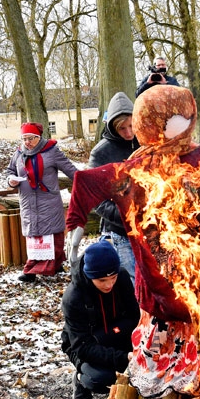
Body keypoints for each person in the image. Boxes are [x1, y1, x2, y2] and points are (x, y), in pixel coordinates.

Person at [65, 85, 200, 398]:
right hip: (164, 280)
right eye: (162, 121)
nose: (171, 128)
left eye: (177, 118)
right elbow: (86, 183)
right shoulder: (136, 169)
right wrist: (75, 225)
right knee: (172, 330)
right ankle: (175, 391)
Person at [60, 241, 139, 399]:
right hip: (86, 345)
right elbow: (83, 347)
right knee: (101, 379)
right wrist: (123, 357)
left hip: (118, 334)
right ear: (90, 275)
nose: (109, 284)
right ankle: (81, 379)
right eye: (102, 280)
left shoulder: (122, 278)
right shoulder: (73, 299)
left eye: (113, 278)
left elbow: (135, 316)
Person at [6, 122, 78, 281]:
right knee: (33, 236)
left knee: (51, 235)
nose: (27, 142)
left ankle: (33, 271)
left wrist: (87, 182)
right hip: (27, 203)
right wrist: (10, 180)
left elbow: (71, 170)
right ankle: (52, 265)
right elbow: (10, 171)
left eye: (31, 138)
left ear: (39, 137)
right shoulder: (18, 153)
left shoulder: (52, 151)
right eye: (24, 138)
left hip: (49, 202)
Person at [87, 91, 138, 280]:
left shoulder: (146, 143)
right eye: (122, 128)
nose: (128, 132)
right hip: (119, 231)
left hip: (149, 228)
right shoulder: (101, 153)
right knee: (129, 282)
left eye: (132, 126)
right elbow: (95, 198)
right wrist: (125, 215)